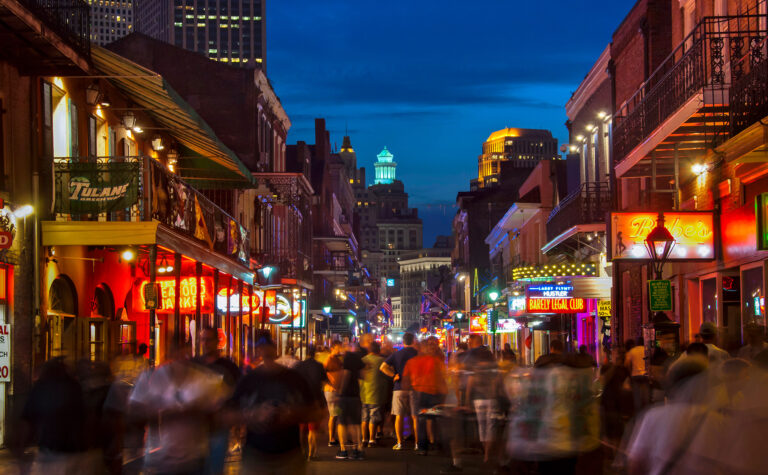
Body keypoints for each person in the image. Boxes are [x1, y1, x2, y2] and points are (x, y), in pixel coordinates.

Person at [227, 336, 315, 474]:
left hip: (287, 454)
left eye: (268, 347)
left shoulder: (293, 378)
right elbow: (229, 414)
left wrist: (291, 413)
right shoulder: (249, 380)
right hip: (257, 455)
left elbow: (314, 410)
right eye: (262, 348)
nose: (265, 351)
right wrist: (254, 415)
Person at [403, 337, 448, 455]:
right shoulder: (435, 361)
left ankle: (422, 447)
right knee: (437, 419)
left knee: (421, 420)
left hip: (419, 394)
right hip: (434, 393)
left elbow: (406, 379)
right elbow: (442, 377)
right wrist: (444, 392)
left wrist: (406, 393)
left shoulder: (411, 362)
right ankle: (439, 445)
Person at [380, 332, 419, 450]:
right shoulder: (418, 354)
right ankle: (417, 443)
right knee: (415, 416)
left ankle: (400, 442)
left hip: (399, 387)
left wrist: (393, 375)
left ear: (403, 342)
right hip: (414, 387)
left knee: (399, 416)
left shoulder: (397, 354)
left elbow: (382, 367)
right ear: (413, 341)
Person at [464, 334, 497, 462]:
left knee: (482, 425)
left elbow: (470, 379)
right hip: (490, 396)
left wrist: (467, 399)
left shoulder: (471, 356)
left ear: (473, 342)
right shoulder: (490, 355)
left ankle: (486, 452)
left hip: (479, 396)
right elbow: (496, 377)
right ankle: (488, 453)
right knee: (490, 426)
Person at [294, 346, 328, 460]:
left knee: (302, 429)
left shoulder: (299, 366)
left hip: (301, 401)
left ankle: (302, 451)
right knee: (313, 430)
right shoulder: (319, 366)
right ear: (315, 354)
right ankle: (312, 453)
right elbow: (325, 381)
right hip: (315, 401)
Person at [335, 341, 366, 460]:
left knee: (342, 423)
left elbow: (346, 374)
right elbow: (363, 376)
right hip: (356, 395)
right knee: (355, 423)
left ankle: (343, 450)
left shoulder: (347, 358)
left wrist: (340, 392)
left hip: (345, 396)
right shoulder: (358, 359)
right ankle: (358, 449)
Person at [360, 341, 388, 447]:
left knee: (364, 417)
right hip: (376, 393)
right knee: (373, 417)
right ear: (378, 350)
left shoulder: (362, 360)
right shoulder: (382, 361)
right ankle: (372, 439)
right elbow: (387, 375)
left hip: (364, 392)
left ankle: (364, 439)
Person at [324, 340, 344, 447]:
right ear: (332, 348)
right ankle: (331, 439)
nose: (339, 350)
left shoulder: (337, 359)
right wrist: (332, 385)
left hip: (336, 391)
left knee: (336, 415)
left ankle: (333, 437)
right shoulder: (329, 360)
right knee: (333, 415)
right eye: (337, 348)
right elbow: (323, 374)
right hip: (332, 392)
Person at [624, 337, 649, 413]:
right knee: (646, 394)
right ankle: (647, 411)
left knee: (637, 396)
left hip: (635, 375)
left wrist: (630, 371)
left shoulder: (632, 351)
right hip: (645, 375)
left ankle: (638, 413)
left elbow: (626, 364)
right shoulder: (646, 350)